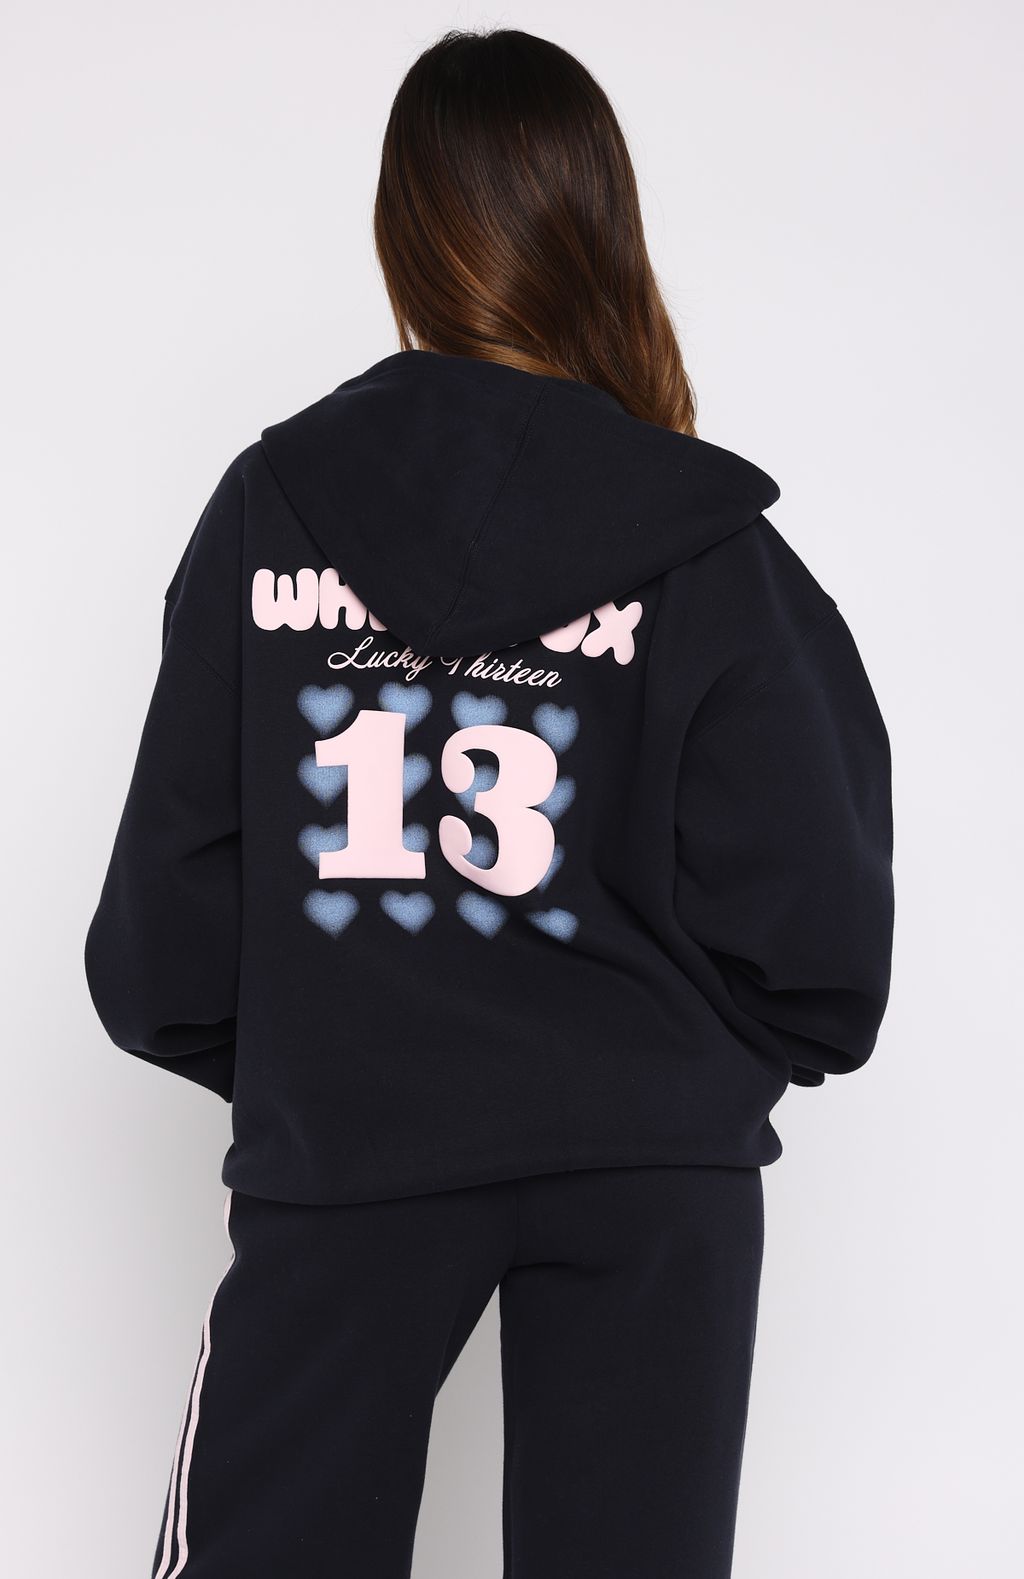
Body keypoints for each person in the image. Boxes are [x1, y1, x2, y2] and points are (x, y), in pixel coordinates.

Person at [84, 27, 895, 1579]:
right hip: (651, 1165)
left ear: (405, 233)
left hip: (352, 1139)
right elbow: (822, 938)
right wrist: (666, 1074)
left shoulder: (271, 510)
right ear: (600, 226)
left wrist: (334, 1048)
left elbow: (164, 933)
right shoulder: (713, 547)